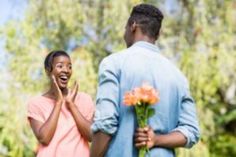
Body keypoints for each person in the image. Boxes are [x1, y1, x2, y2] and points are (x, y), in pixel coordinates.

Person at [90, 3, 200, 157]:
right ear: (158, 34)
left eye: (125, 28)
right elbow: (191, 131)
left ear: (133, 26)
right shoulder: (178, 76)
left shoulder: (113, 63)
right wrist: (156, 139)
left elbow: (106, 123)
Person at [27, 50, 94, 157]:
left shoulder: (84, 99)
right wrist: (58, 102)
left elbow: (91, 136)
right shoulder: (36, 104)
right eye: (60, 66)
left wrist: (71, 105)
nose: (66, 70)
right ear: (48, 71)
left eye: (69, 67)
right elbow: (44, 138)